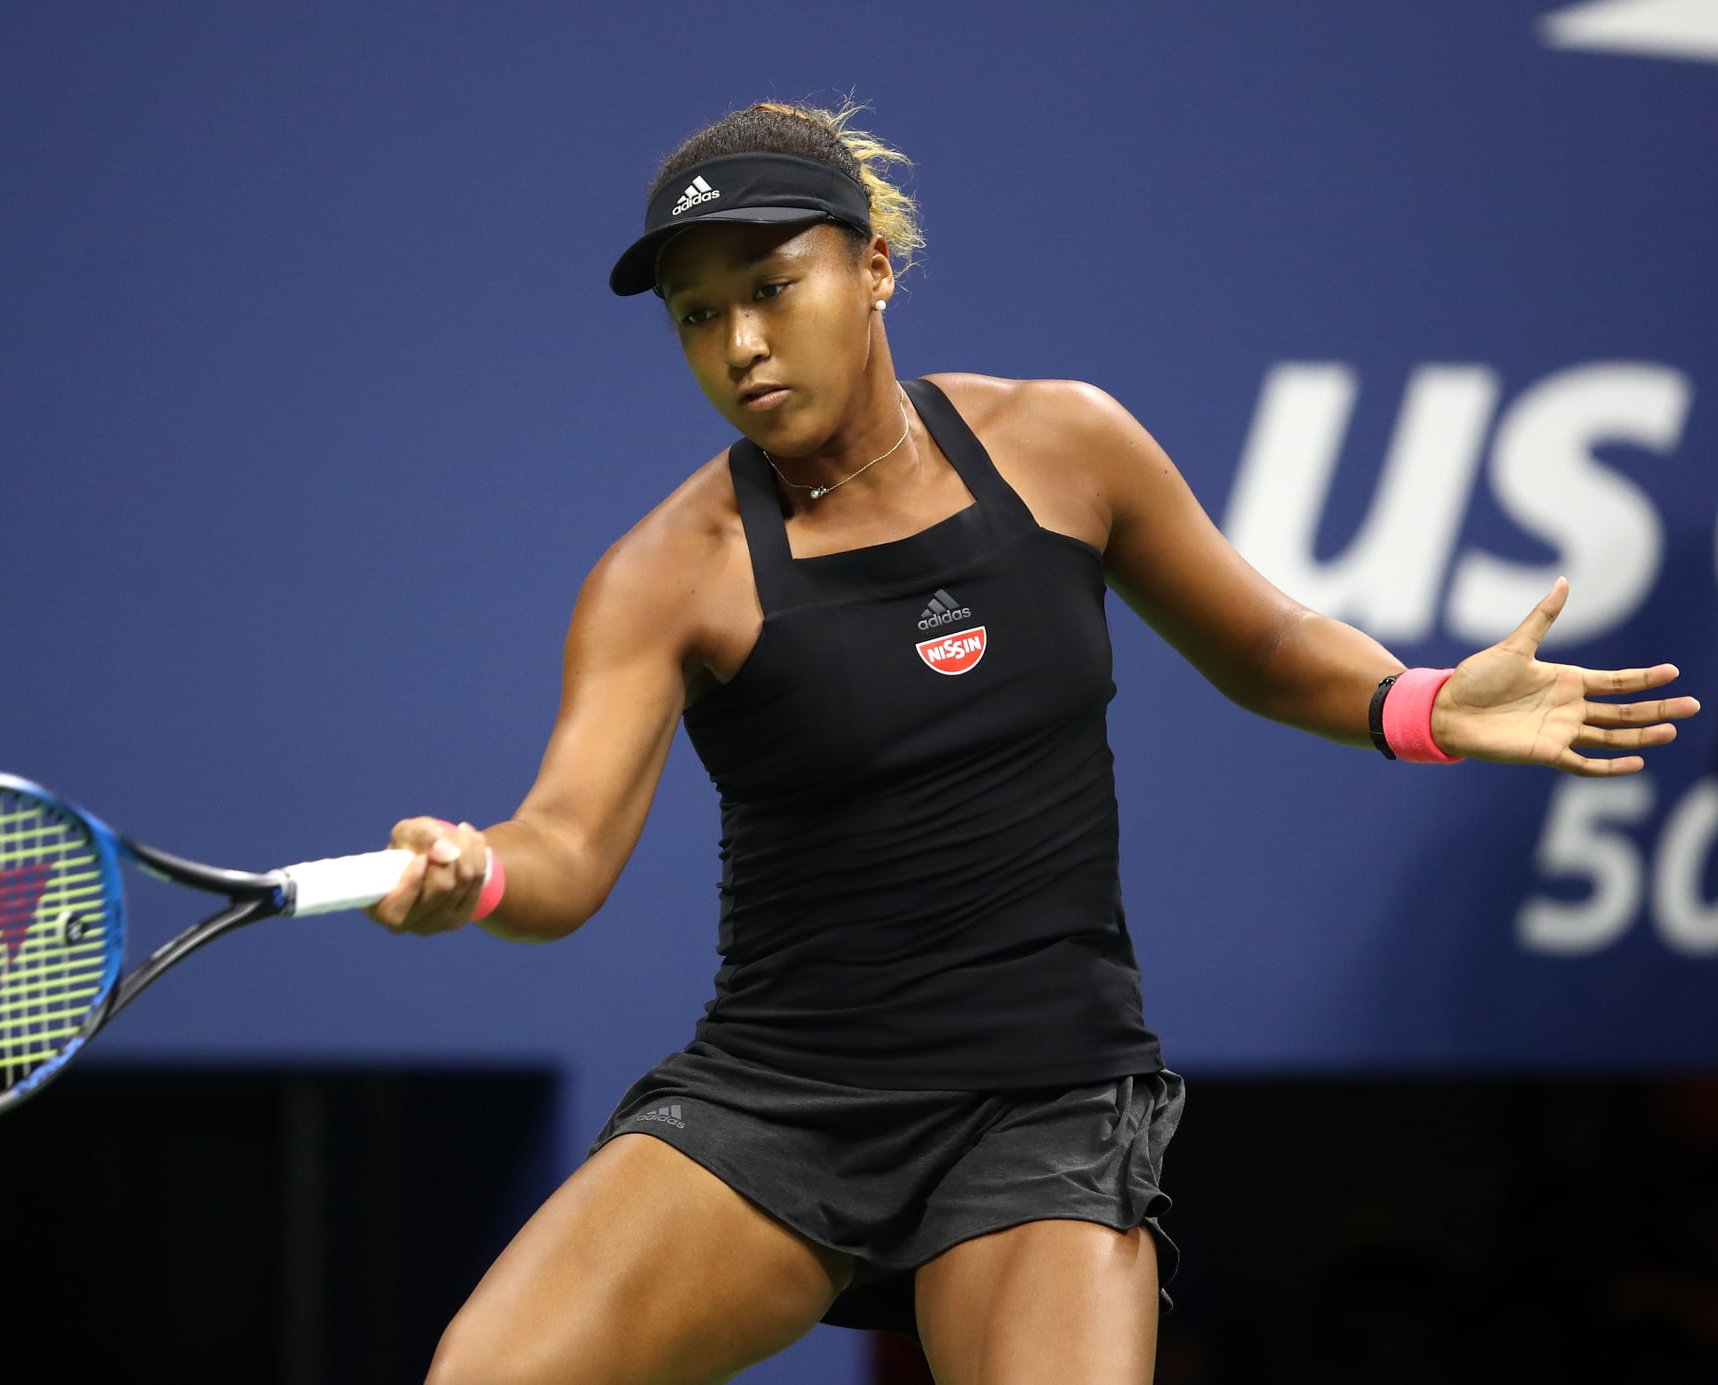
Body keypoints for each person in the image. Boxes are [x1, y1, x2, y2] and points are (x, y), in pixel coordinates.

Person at [366, 100, 1699, 1384]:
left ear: (874, 264)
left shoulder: (1064, 446)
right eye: (699, 315)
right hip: (781, 1101)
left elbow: (1273, 648)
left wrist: (1423, 706)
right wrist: (478, 871)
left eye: (772, 286)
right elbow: (568, 847)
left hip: (1046, 1102)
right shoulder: (670, 572)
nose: (740, 345)